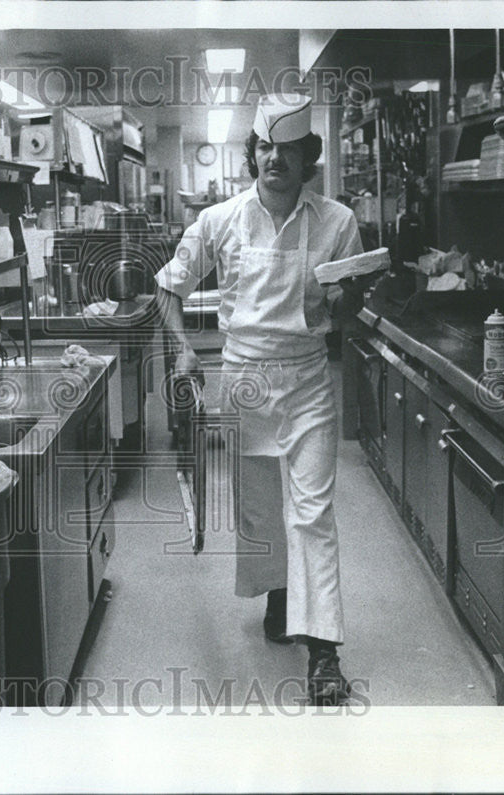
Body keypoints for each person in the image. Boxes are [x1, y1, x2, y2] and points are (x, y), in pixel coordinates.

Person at [154, 93, 372, 705]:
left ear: (309, 159)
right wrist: (182, 351)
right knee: (260, 511)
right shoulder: (220, 220)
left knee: (312, 513)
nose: (275, 158)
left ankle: (324, 652)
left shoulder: (338, 222)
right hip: (244, 381)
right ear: (254, 154)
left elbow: (345, 311)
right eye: (265, 148)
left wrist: (348, 297)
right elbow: (168, 289)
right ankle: (281, 598)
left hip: (306, 382)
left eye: (289, 150)